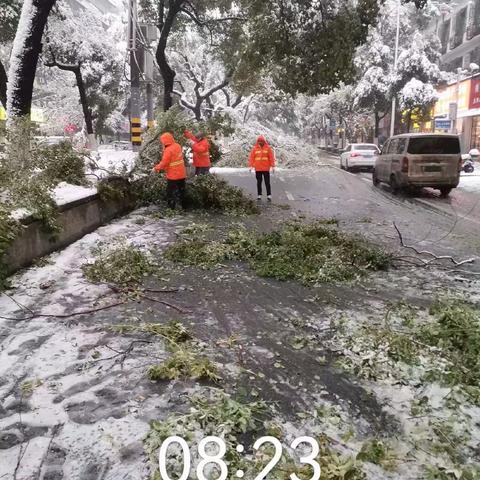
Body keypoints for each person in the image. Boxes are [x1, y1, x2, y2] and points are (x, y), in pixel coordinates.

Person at [153, 132, 187, 209]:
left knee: (171, 192)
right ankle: (184, 206)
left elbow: (164, 163)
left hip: (173, 175)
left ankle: (171, 208)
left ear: (165, 141)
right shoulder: (178, 146)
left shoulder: (168, 150)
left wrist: (156, 168)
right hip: (181, 173)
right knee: (182, 191)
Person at [249, 135, 275, 202]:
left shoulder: (268, 148)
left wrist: (273, 166)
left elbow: (271, 157)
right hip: (258, 169)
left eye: (261, 141)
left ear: (264, 141)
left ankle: (269, 195)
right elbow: (252, 158)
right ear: (258, 141)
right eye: (259, 141)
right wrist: (251, 166)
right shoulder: (255, 149)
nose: (260, 142)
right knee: (259, 182)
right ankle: (259, 195)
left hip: (266, 168)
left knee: (267, 182)